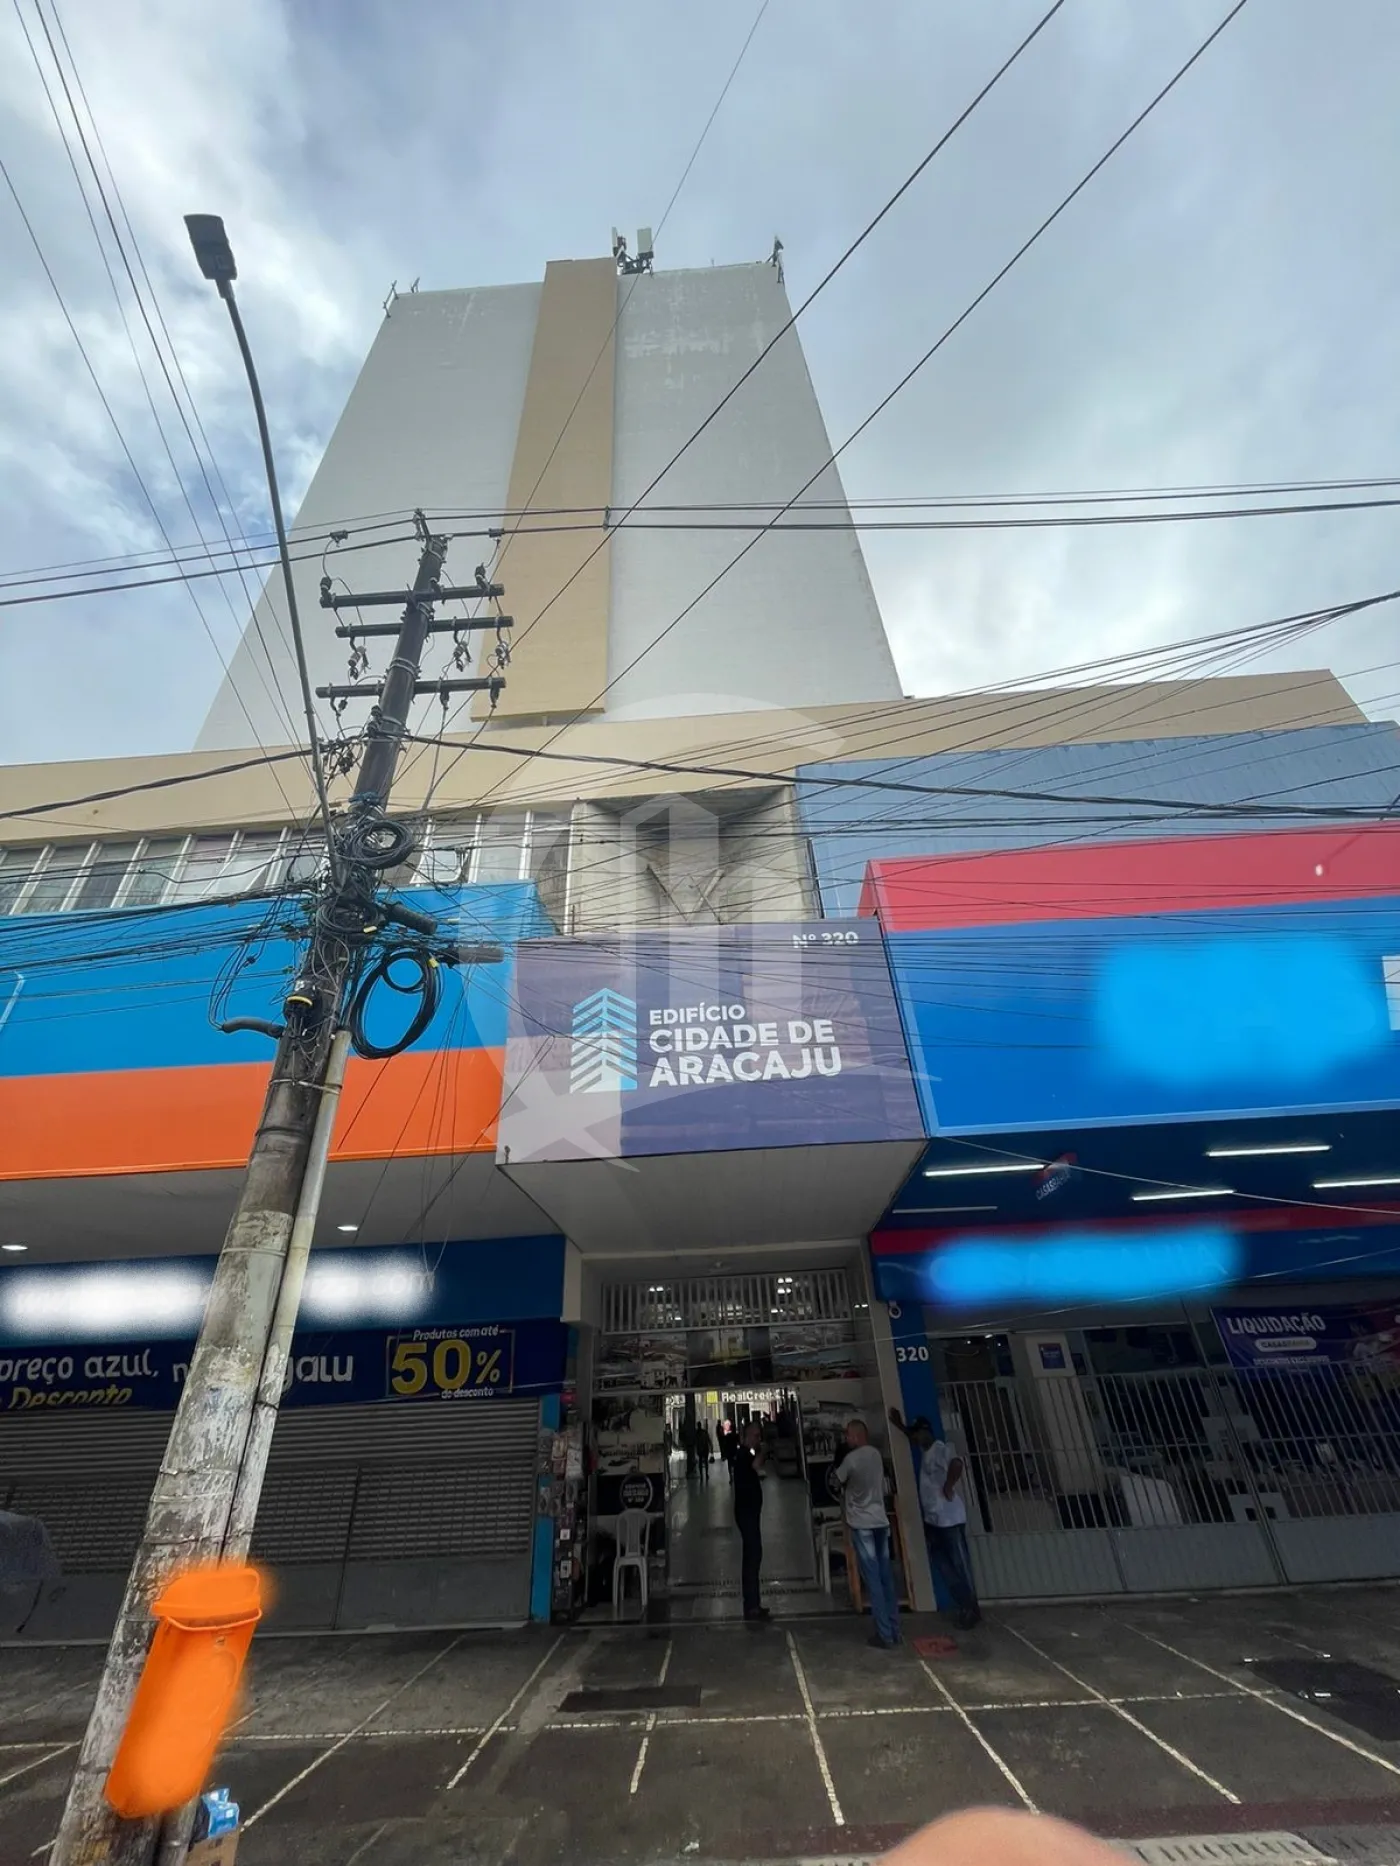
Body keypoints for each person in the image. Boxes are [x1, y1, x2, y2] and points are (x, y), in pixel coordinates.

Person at [889, 1407, 980, 1629]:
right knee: (943, 1564)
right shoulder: (925, 1450)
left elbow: (957, 1464)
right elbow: (911, 1436)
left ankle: (971, 1608)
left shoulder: (940, 1449)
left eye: (918, 1433)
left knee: (959, 1564)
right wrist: (899, 1425)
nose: (915, 1438)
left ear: (927, 1432)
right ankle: (964, 1603)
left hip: (950, 1520)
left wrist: (948, 1486)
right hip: (933, 1520)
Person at [833, 1419, 900, 1649]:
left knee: (872, 1579)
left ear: (856, 1435)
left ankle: (884, 1634)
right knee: (885, 1577)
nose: (846, 1439)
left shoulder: (851, 1459)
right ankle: (895, 1629)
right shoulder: (876, 1455)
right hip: (880, 1521)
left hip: (862, 1525)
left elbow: (836, 1481)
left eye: (848, 1435)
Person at [732, 1421, 770, 1622]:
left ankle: (753, 1603)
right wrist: (763, 1450)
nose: (758, 1439)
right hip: (746, 1513)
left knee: (753, 1556)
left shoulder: (746, 1454)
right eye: (755, 1436)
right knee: (753, 1556)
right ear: (746, 1436)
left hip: (749, 1512)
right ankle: (752, 1606)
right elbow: (756, 1465)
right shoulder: (744, 1454)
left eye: (759, 1436)